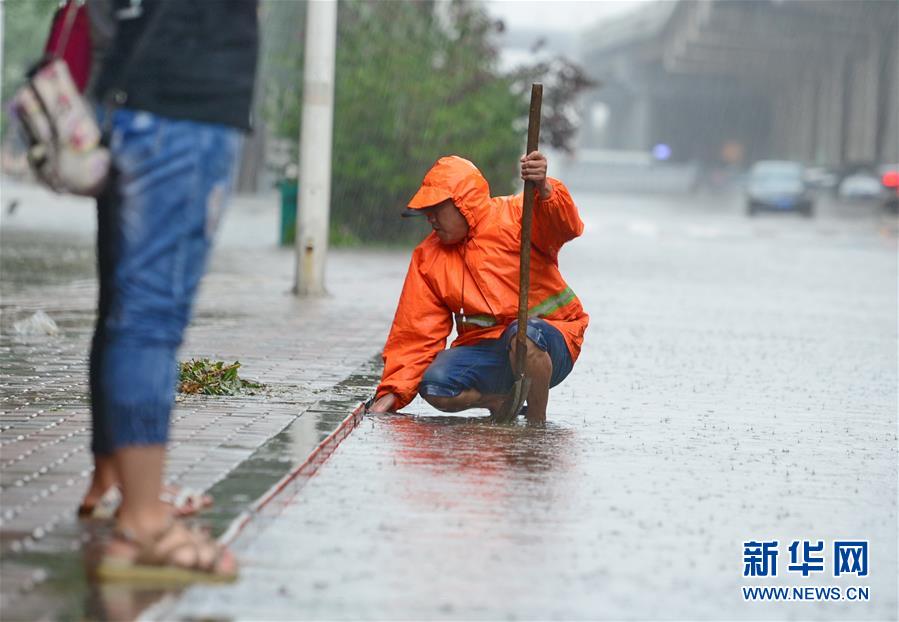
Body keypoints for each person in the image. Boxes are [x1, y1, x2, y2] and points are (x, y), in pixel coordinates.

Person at [79, 0, 258, 582]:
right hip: (183, 100)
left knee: (134, 314)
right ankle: (141, 525)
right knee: (150, 321)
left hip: (142, 91)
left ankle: (135, 505)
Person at [367, 153, 588, 423]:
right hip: (488, 353)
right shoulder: (428, 258)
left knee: (524, 336)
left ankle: (535, 423)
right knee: (434, 385)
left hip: (552, 341)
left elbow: (566, 226)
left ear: (462, 203)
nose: (430, 219)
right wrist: (392, 392)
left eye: (437, 209)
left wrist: (543, 188)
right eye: (427, 212)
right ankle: (500, 402)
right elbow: (416, 333)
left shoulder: (517, 215)